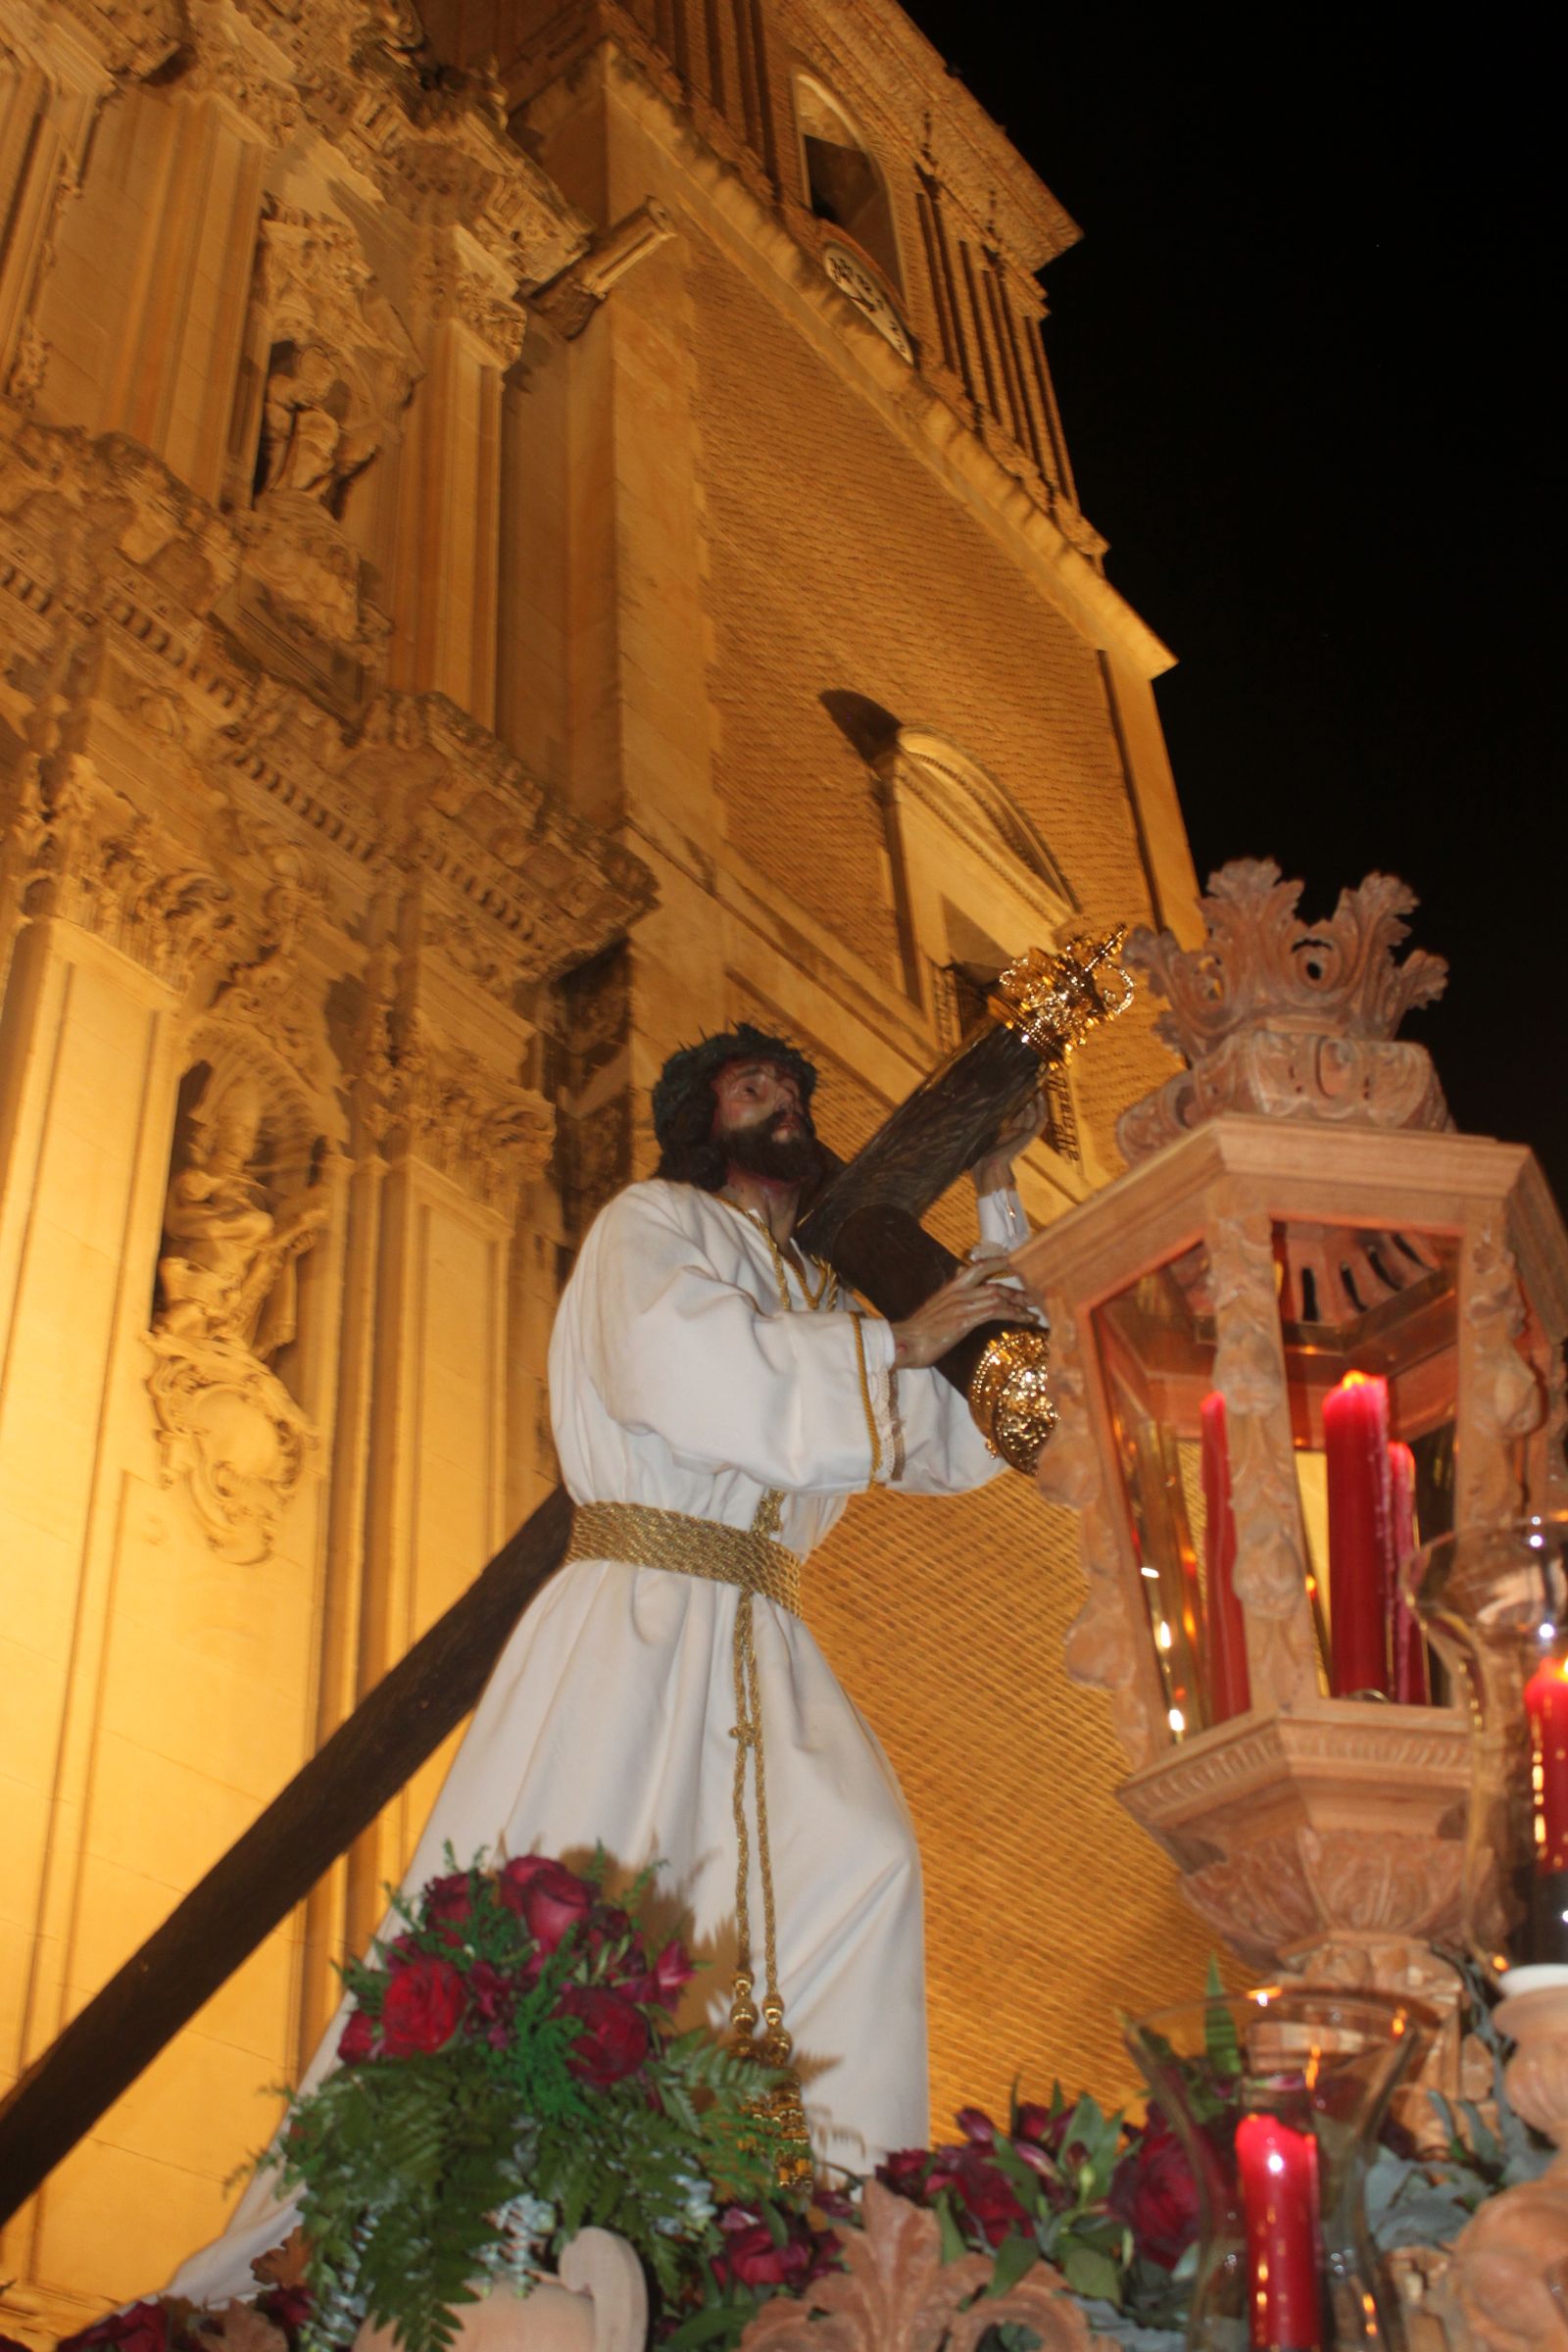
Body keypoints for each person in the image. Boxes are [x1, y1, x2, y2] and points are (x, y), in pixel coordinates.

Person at [170, 1022, 1038, 2298]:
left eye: (796, 1090)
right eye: (755, 1089)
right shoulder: (651, 1227)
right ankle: (486, 2258)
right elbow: (677, 1362)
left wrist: (1001, 1194)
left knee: (865, 1860)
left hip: (766, 1633)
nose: (784, 1104)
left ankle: (836, 2258)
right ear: (703, 1122)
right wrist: (898, 1343)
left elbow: (969, 1429)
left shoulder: (815, 1299)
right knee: (589, 1908)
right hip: (635, 1614)